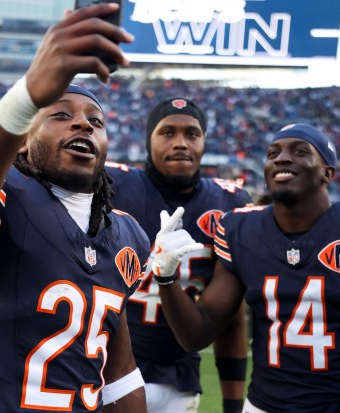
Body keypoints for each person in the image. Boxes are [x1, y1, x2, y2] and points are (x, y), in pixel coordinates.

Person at [0, 3, 149, 412]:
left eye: (96, 122)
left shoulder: (128, 234)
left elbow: (118, 371)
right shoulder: (4, 194)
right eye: (60, 114)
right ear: (22, 140)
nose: (83, 125)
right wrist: (25, 96)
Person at [152, 123, 340, 412]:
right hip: (261, 406)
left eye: (300, 151)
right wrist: (165, 277)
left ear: (327, 173)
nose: (281, 158)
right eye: (272, 153)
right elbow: (197, 333)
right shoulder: (239, 228)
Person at [106, 97, 251, 413]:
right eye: (167, 133)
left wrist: (233, 405)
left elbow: (232, 318)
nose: (181, 143)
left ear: (204, 141)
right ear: (149, 140)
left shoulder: (231, 202)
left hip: (179, 379)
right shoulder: (113, 184)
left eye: (192, 134)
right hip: (108, 371)